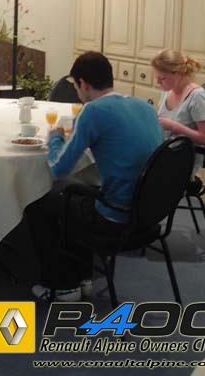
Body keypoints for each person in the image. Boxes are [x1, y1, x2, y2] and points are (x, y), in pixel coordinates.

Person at [25, 51, 163, 302]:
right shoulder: (145, 107)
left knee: (39, 200)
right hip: (149, 214)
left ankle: (62, 285)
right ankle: (84, 277)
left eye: (76, 86)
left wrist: (55, 137)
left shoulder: (93, 111)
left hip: (115, 216)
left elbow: (58, 167)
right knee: (76, 192)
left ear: (83, 84)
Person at [151, 49, 205, 175]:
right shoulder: (167, 91)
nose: (158, 82)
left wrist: (174, 126)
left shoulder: (198, 97)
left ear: (178, 73)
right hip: (165, 152)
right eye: (157, 77)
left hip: (183, 160)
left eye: (162, 78)